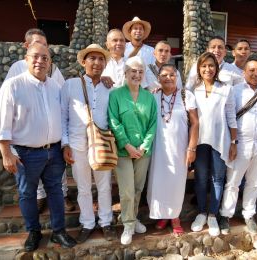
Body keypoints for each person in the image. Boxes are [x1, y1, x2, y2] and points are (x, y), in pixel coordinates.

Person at [0, 42, 77, 251]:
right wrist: (6, 154)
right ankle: (34, 232)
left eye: (45, 58)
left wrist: (65, 144)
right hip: (26, 154)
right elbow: (1, 123)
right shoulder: (13, 85)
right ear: (27, 59)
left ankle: (58, 232)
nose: (40, 61)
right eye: (35, 57)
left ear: (50, 63)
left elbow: (64, 117)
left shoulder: (55, 87)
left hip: (54, 151)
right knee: (27, 194)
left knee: (56, 192)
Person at [4, 28, 73, 213]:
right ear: (27, 47)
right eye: (37, 45)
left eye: (44, 46)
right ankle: (40, 198)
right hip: (26, 141)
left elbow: (62, 95)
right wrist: (8, 149)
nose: (41, 52)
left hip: (53, 141)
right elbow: (7, 105)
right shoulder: (16, 70)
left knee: (57, 180)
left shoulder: (53, 69)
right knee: (29, 188)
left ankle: (63, 195)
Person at [61, 44, 117, 243]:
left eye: (101, 59)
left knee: (104, 186)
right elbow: (63, 116)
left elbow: (113, 116)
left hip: (101, 143)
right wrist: (65, 144)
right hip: (77, 143)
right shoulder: (70, 85)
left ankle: (106, 222)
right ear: (83, 62)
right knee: (83, 186)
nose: (97, 62)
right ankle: (87, 223)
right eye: (92, 58)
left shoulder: (110, 87)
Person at [219, 58, 257, 236]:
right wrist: (232, 143)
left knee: (254, 182)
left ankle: (249, 214)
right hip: (241, 144)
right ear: (243, 72)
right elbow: (229, 118)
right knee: (233, 182)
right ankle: (226, 214)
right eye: (252, 70)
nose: (256, 73)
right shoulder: (235, 91)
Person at [108, 56, 157, 245]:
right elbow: (114, 121)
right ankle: (128, 224)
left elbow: (153, 124)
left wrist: (144, 146)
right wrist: (127, 145)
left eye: (140, 71)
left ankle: (134, 217)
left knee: (138, 189)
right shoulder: (116, 95)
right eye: (133, 71)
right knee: (127, 190)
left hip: (143, 151)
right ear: (126, 73)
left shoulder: (149, 97)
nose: (137, 75)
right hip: (123, 151)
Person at [147, 64, 199, 234]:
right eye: (164, 75)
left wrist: (191, 148)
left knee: (176, 182)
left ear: (177, 77)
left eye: (172, 75)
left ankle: (175, 217)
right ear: (158, 78)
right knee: (159, 181)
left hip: (180, 148)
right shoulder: (153, 96)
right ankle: (163, 215)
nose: (168, 78)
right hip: (158, 148)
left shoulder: (186, 95)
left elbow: (195, 123)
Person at [190, 52, 237, 237]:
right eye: (204, 66)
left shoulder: (226, 88)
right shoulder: (194, 89)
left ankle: (212, 215)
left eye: (211, 65)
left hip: (221, 140)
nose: (207, 69)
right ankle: (201, 212)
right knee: (201, 178)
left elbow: (231, 117)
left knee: (218, 178)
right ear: (199, 69)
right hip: (200, 141)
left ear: (216, 68)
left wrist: (234, 142)